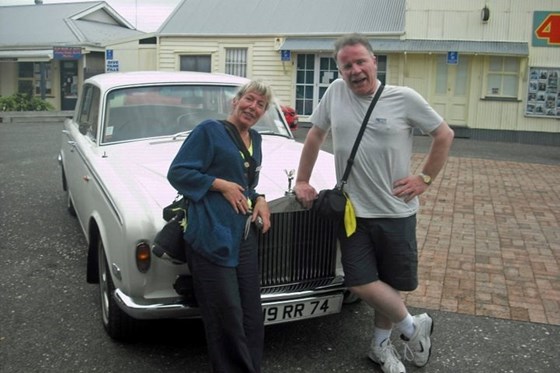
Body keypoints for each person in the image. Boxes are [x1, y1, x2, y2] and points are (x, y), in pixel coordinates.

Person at [294, 34, 454, 373]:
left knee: (390, 283)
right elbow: (314, 135)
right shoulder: (335, 93)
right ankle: (412, 326)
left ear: (374, 62)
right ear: (339, 69)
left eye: (360, 62)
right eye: (346, 65)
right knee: (358, 280)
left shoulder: (404, 98)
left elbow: (444, 134)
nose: (354, 70)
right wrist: (303, 180)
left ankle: (380, 347)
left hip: (396, 211)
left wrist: (424, 178)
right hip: (353, 212)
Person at [167, 80, 272, 373]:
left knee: (251, 313)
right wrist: (219, 185)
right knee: (226, 314)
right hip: (211, 234)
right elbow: (178, 173)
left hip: (243, 236)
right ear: (235, 101)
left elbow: (247, 183)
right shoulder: (209, 131)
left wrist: (259, 198)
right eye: (249, 99)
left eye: (260, 104)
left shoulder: (256, 140)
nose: (253, 107)